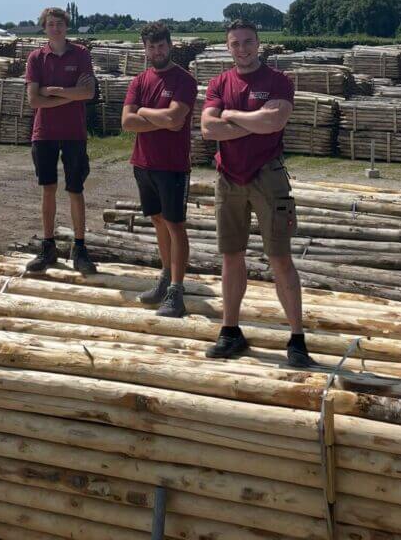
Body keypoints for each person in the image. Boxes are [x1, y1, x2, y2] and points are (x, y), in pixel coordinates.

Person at [200, 19, 315, 368]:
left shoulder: (278, 81)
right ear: (227, 47)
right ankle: (230, 331)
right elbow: (208, 128)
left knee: (280, 257)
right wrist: (252, 120)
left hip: (269, 178)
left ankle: (296, 340)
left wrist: (232, 116)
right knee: (231, 256)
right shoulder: (219, 82)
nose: (243, 49)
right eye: (235, 44)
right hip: (228, 178)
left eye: (248, 42)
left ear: (259, 43)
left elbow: (273, 123)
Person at [122, 22, 197, 317]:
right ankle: (165, 277)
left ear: (171, 45)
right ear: (145, 49)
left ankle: (177, 290)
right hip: (143, 162)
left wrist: (142, 112)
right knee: (157, 220)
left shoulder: (184, 80)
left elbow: (176, 118)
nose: (157, 51)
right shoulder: (139, 81)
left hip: (173, 165)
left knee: (176, 225)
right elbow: (127, 123)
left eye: (161, 45)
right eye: (151, 47)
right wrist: (159, 118)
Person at [24, 6, 97, 275]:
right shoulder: (36, 58)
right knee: (48, 188)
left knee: (75, 189)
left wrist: (54, 92)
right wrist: (70, 95)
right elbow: (33, 100)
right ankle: (48, 246)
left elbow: (88, 93)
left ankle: (80, 247)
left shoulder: (81, 55)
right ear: (44, 27)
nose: (55, 28)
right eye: (50, 24)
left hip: (74, 133)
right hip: (44, 134)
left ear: (67, 27)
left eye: (60, 24)